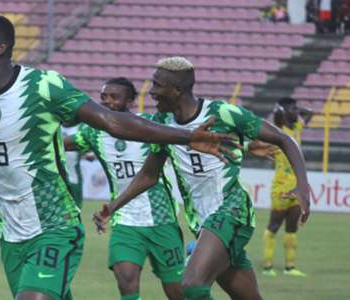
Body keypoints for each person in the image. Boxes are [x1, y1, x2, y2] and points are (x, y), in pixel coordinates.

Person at [0, 15, 235, 300]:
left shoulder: (43, 87)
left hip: (55, 225)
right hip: (10, 232)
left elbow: (112, 122)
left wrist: (186, 136)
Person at [93, 57, 311, 300]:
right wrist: (113, 207)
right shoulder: (164, 125)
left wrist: (302, 186)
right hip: (202, 221)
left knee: (192, 285)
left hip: (231, 209)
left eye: (156, 85)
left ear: (176, 90)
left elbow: (285, 139)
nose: (151, 92)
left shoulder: (222, 113)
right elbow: (149, 175)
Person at [64, 77, 184, 300]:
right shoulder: (94, 133)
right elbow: (62, 144)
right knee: (125, 279)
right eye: (103, 97)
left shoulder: (151, 125)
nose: (107, 102)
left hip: (161, 219)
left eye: (114, 97)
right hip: (124, 220)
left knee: (177, 290)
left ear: (130, 100)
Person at [263, 97, 313, 277]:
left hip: (296, 188)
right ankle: (268, 267)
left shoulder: (297, 129)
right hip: (280, 188)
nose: (296, 111)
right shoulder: (277, 133)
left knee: (292, 227)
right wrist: (282, 111)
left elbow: (309, 114)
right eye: (291, 108)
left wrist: (296, 109)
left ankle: (289, 267)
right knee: (273, 226)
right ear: (282, 113)